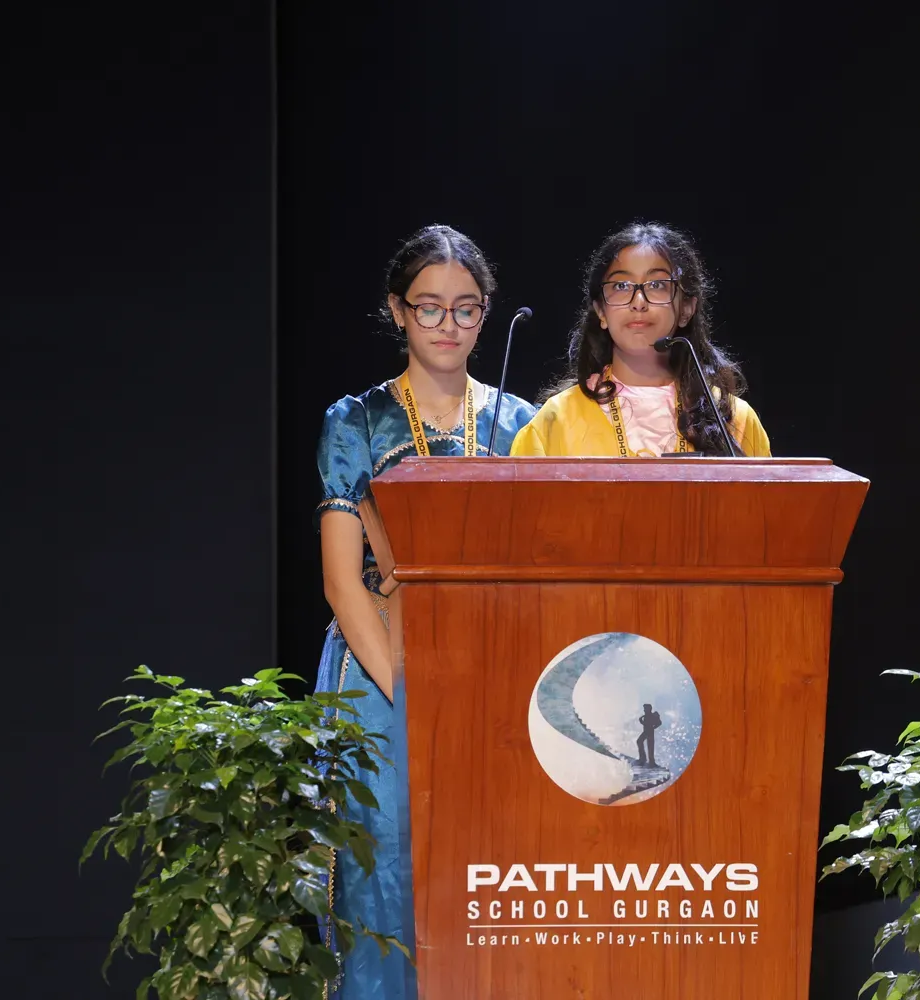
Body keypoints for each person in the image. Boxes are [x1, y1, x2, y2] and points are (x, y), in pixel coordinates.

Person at [314, 224, 537, 998]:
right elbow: (342, 581)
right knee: (383, 871)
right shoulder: (357, 420)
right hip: (380, 672)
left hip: (494, 675)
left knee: (492, 870)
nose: (448, 325)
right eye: (429, 307)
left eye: (466, 308)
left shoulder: (525, 426)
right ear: (397, 310)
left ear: (486, 313)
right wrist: (408, 690)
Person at [509, 221, 771, 458]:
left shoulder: (734, 419)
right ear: (601, 311)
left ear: (686, 309)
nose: (638, 302)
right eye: (621, 286)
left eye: (657, 285)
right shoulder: (555, 420)